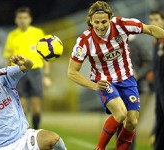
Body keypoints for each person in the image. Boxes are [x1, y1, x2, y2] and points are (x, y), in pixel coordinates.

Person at [67, 1, 164, 150]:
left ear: (110, 18)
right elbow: (72, 72)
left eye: (104, 22)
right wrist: (94, 85)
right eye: (96, 22)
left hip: (127, 79)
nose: (100, 26)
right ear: (90, 21)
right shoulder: (84, 41)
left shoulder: (122, 25)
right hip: (105, 82)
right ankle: (100, 148)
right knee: (120, 113)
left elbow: (150, 29)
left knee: (132, 122)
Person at [0, 54, 66, 150]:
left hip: (25, 136)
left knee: (55, 140)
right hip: (2, 147)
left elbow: (28, 66)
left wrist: (25, 62)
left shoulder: (1, 77)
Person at [3, 7, 51, 130]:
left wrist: (46, 76)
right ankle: (24, 133)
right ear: (16, 20)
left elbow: (46, 55)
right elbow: (8, 59)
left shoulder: (38, 33)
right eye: (20, 18)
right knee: (22, 107)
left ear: (30, 19)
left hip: (35, 72)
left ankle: (35, 130)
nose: (22, 20)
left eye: (25, 18)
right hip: (18, 73)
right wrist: (7, 78)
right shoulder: (12, 36)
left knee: (36, 107)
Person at [148, 10, 164, 150]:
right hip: (159, 89)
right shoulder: (155, 42)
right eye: (151, 20)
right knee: (160, 119)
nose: (153, 23)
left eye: (156, 19)